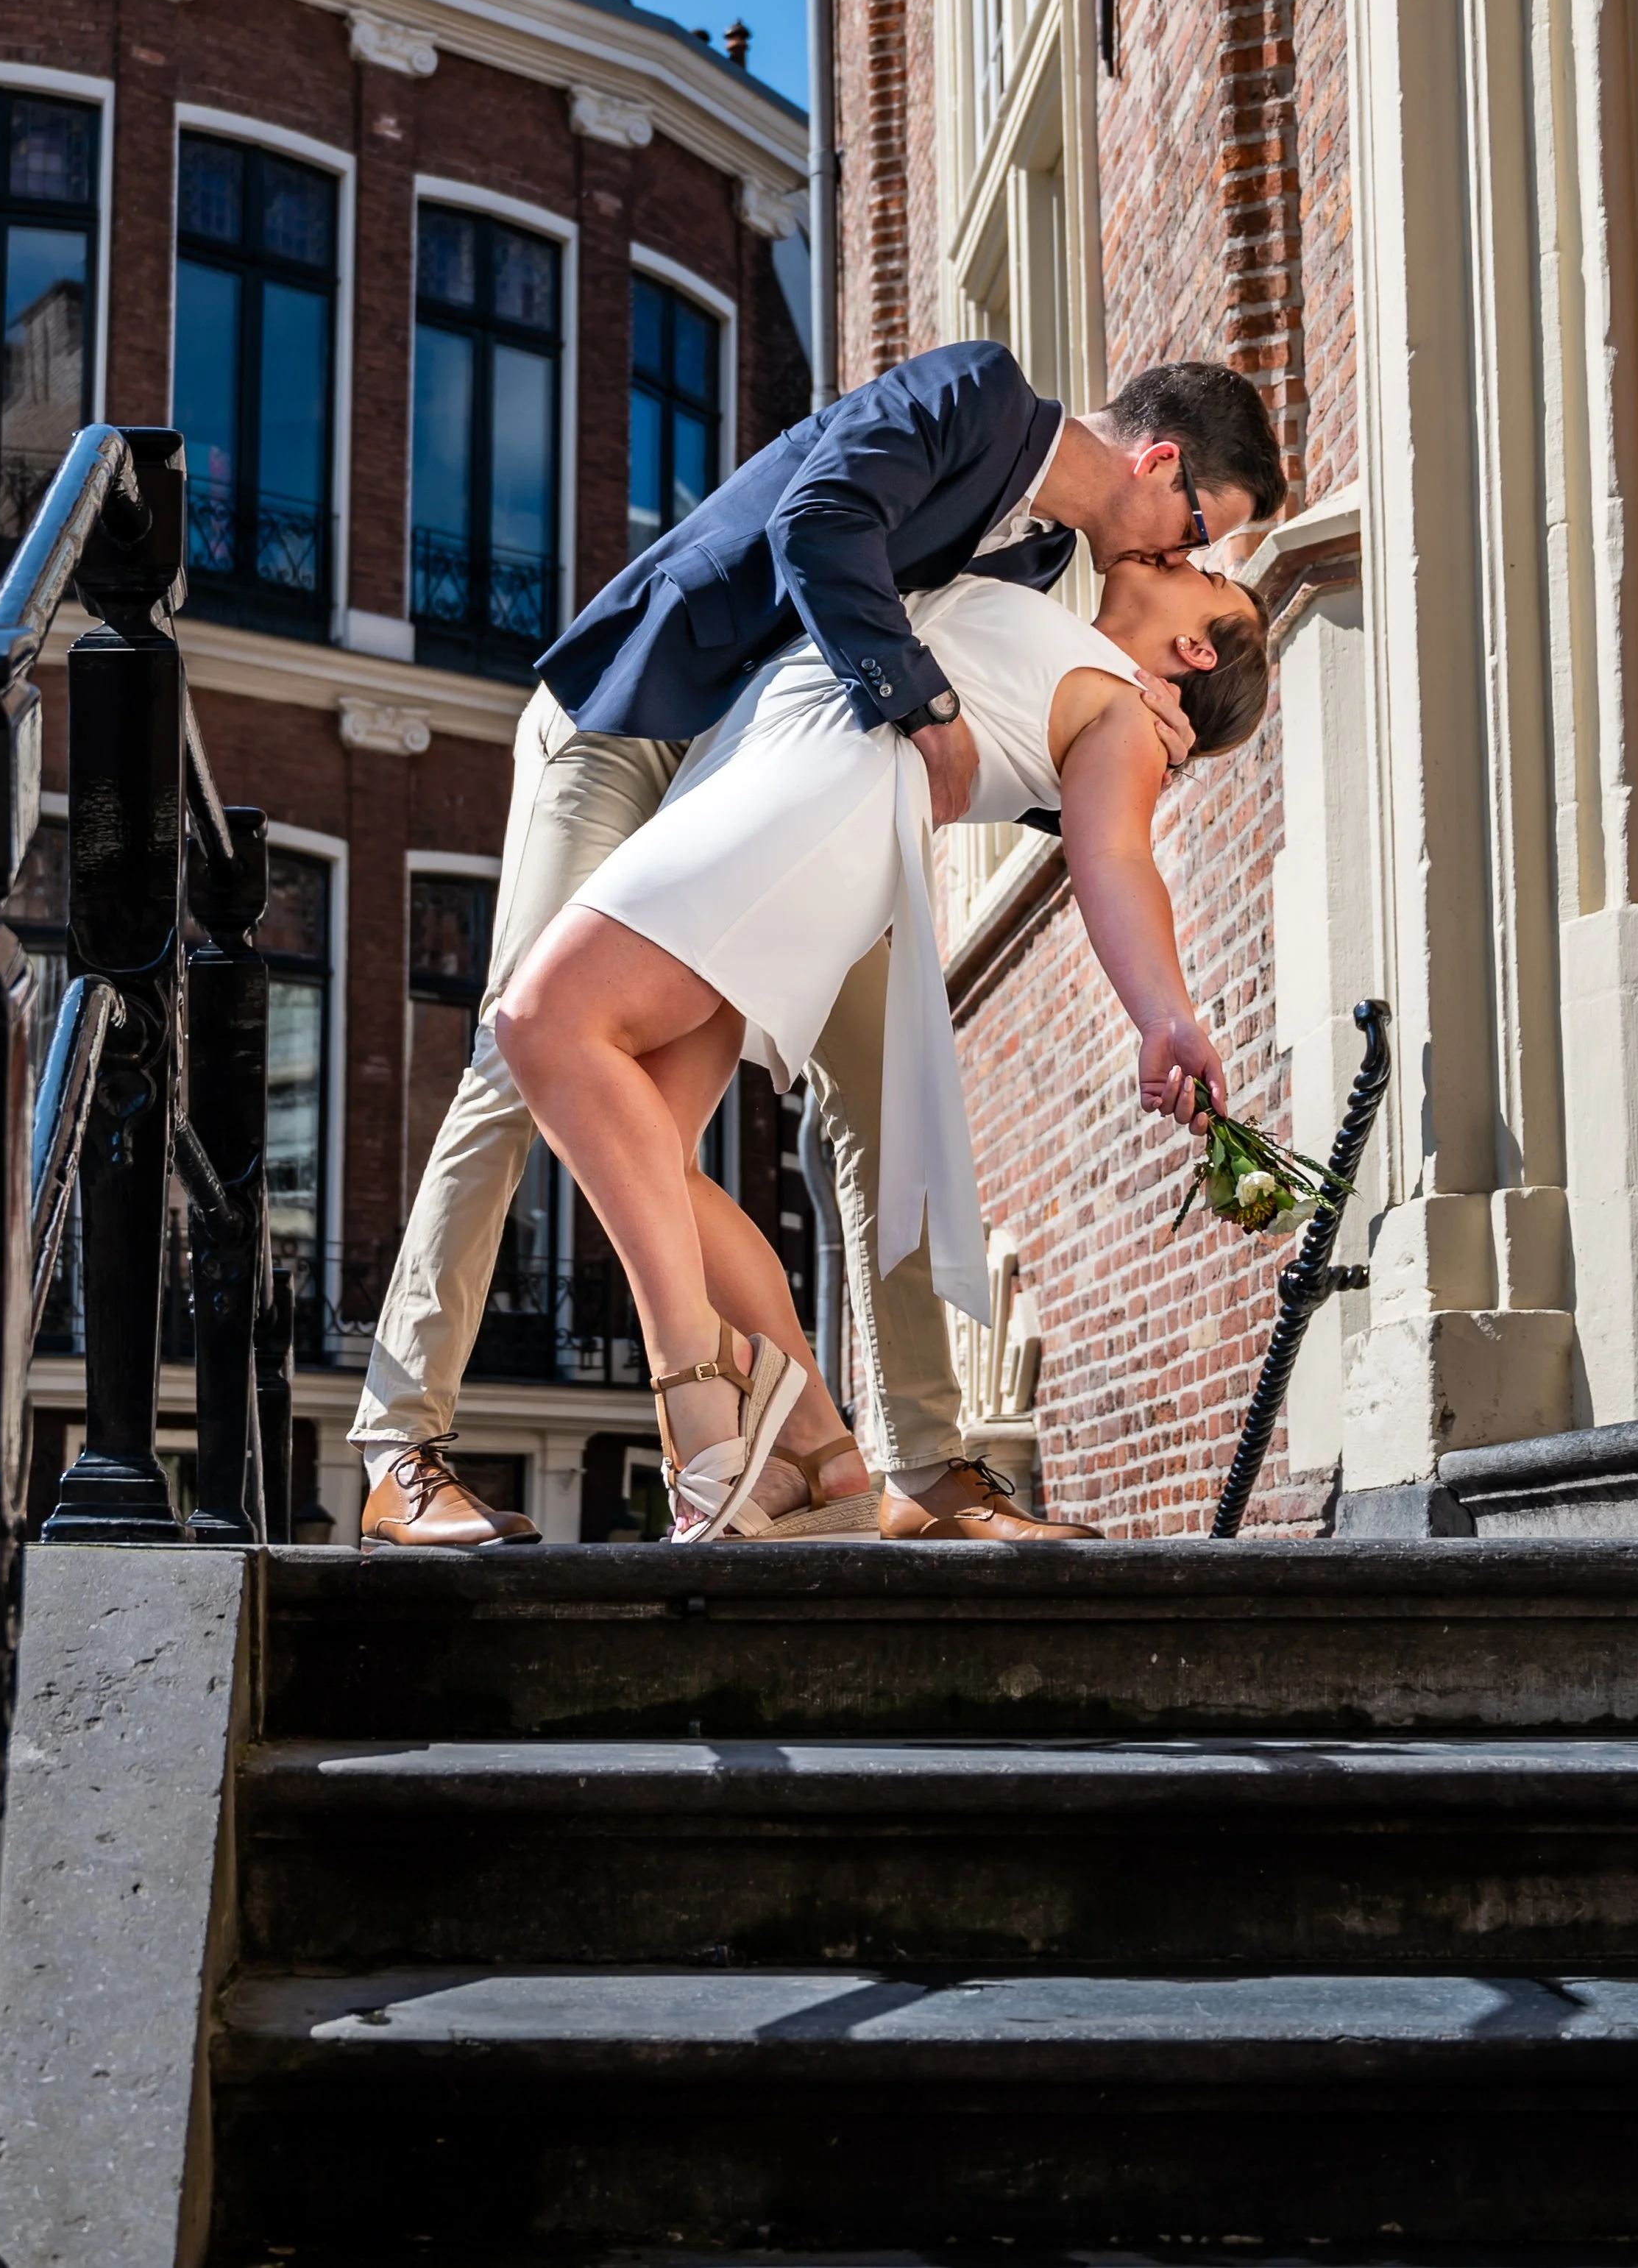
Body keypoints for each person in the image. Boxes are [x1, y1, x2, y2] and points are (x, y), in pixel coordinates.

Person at [353, 344, 1287, 1548]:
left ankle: (917, 1467)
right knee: (519, 1054)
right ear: (1163, 464)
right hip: (642, 718)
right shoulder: (981, 396)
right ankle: (402, 1446)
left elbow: (1018, 719)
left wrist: (1142, 735)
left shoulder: (1047, 556)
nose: (1193, 559)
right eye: (1207, 528)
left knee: (885, 1096)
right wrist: (942, 708)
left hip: (802, 786)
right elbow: (821, 522)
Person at [493, 550, 1271, 1540]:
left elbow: (1113, 855)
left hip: (811, 806)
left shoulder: (1131, 717)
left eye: (1210, 575)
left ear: (1193, 647)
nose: (1192, 551)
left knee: (543, 1024)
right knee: (645, 1148)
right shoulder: (1060, 610)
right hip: (770, 769)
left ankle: (703, 1389)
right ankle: (816, 1453)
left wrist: (1164, 1013)